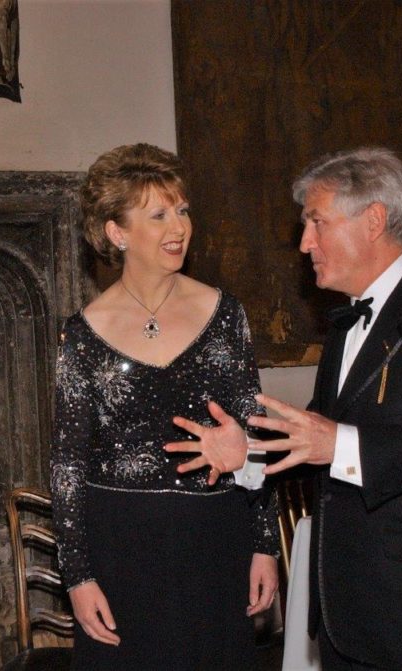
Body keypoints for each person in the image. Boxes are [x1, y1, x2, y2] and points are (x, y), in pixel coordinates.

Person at [168, 147, 402, 670]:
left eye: (317, 222)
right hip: (350, 620)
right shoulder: (346, 324)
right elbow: (313, 437)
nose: (305, 244)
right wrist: (247, 454)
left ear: (373, 220)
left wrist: (340, 444)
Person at [51, 143, 280, 669]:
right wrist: (79, 576)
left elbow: (255, 432)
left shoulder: (226, 315)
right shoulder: (82, 335)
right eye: (158, 214)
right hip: (122, 547)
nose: (178, 226)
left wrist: (265, 543)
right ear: (117, 232)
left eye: (182, 210)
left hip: (215, 537)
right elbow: (67, 467)